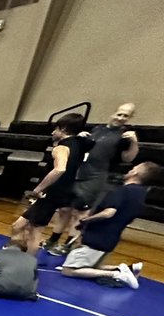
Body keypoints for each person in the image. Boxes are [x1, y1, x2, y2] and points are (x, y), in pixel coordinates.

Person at [44, 103, 140, 255]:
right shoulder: (97, 129)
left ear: (130, 118)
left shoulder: (125, 136)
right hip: (80, 172)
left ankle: (68, 245)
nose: (120, 118)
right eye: (119, 114)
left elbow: (128, 158)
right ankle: (52, 240)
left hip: (95, 177)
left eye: (125, 116)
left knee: (80, 212)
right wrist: (79, 138)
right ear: (114, 113)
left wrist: (134, 143)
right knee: (64, 209)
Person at [59, 161, 161, 289]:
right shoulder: (141, 195)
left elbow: (109, 212)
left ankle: (116, 274)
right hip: (111, 239)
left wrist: (86, 220)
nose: (130, 169)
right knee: (91, 267)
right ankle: (127, 268)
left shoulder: (122, 191)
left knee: (68, 270)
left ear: (136, 172)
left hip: (97, 238)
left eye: (134, 168)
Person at [9, 112, 86, 254]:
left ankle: (27, 263)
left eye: (55, 129)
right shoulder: (79, 144)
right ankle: (14, 252)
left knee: (34, 231)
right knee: (18, 225)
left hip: (50, 194)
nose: (52, 132)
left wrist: (38, 190)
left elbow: (59, 169)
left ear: (63, 129)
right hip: (63, 192)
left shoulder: (61, 147)